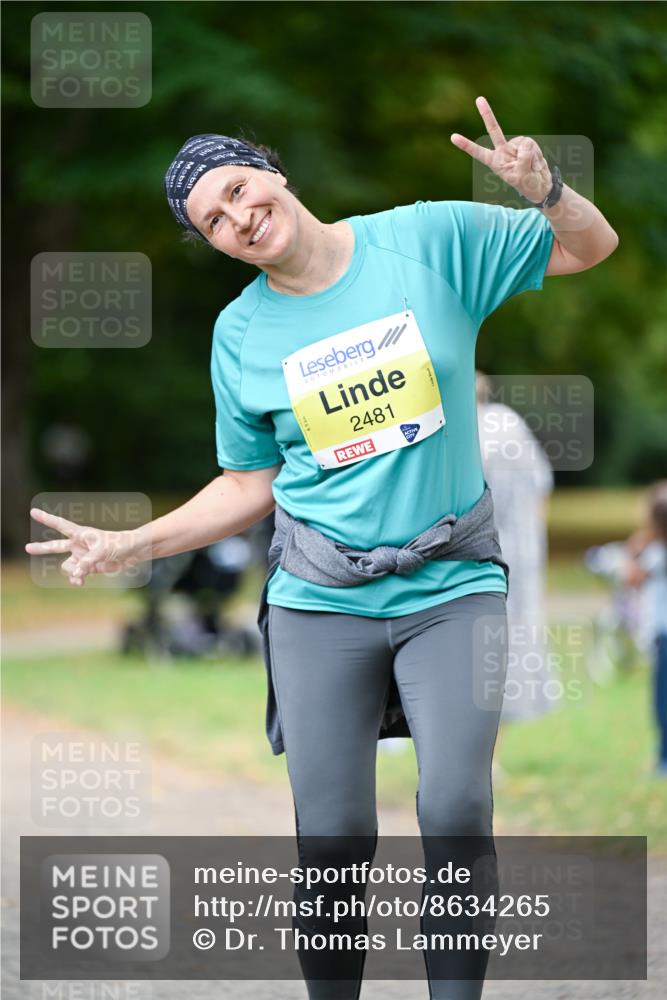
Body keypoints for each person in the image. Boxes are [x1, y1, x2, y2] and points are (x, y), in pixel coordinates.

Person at [26, 98, 618, 999]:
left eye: (234, 191)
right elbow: (247, 481)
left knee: (456, 806)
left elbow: (586, 248)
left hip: (452, 584)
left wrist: (547, 191)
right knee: (334, 836)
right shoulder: (240, 335)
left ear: (270, 169)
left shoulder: (427, 240)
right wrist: (134, 541)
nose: (236, 219)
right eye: (213, 224)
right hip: (319, 603)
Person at [476, 371, 556, 724]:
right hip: (522, 551)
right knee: (512, 643)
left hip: (482, 554)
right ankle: (494, 750)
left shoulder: (466, 431)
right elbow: (543, 486)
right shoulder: (510, 421)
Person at [622, 481, 667, 777]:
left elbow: (632, 577)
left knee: (662, 700)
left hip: (663, 634)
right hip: (660, 634)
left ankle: (664, 758)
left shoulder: (656, 554)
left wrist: (634, 548)